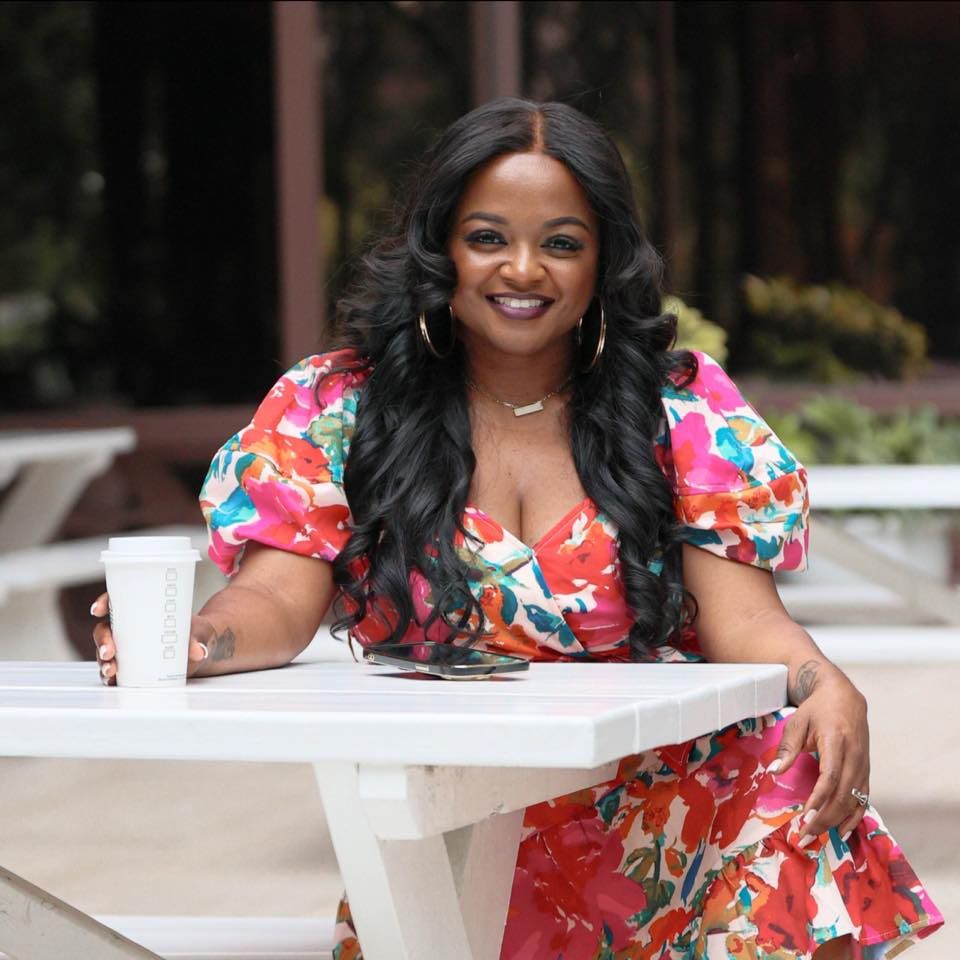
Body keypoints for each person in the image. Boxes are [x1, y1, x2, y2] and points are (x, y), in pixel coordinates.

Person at [92, 98, 943, 958]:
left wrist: (821, 681)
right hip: (451, 828)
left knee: (789, 786)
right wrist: (191, 641)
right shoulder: (343, 408)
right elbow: (276, 598)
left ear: (603, 260)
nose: (524, 270)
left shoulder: (679, 412)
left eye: (562, 243)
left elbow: (745, 618)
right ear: (441, 249)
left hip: (678, 809)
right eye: (487, 237)